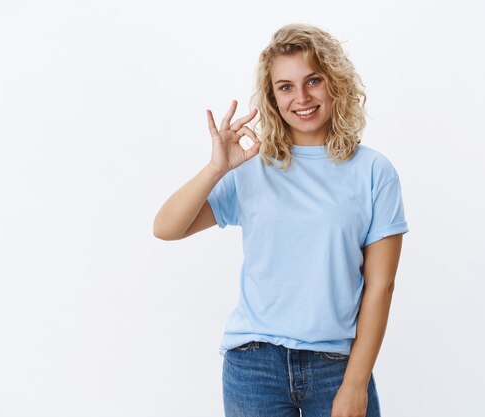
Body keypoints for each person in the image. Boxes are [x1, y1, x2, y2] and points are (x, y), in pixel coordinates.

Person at [153, 23, 408, 417]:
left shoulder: (374, 171)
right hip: (254, 368)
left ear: (334, 83)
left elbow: (381, 286)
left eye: (313, 81)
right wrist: (215, 170)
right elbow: (166, 228)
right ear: (272, 96)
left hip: (336, 367)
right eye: (285, 86)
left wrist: (356, 382)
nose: (301, 98)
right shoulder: (253, 168)